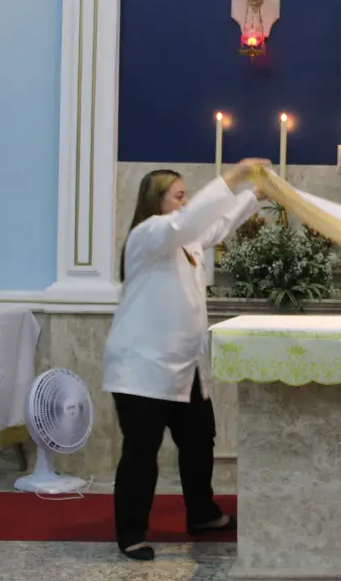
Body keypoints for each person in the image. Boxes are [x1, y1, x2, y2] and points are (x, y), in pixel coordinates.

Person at [103, 159, 269, 560]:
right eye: (178, 195)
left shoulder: (185, 240)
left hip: (182, 367)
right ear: (156, 201)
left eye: (186, 195)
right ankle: (131, 532)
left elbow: (216, 226)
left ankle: (202, 514)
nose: (186, 201)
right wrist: (234, 176)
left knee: (198, 439)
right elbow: (189, 221)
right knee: (141, 452)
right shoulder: (148, 234)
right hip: (142, 367)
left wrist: (254, 196)